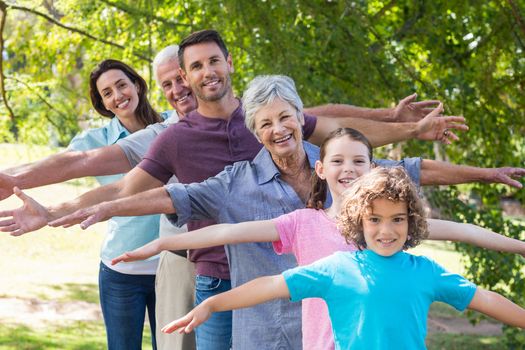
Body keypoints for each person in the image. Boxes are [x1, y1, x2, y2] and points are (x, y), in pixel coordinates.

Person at [24, 73, 519, 348]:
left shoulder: (359, 186)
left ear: (301, 122)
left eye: (287, 118)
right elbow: (173, 199)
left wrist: (487, 175)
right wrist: (116, 222)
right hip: (264, 330)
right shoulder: (249, 188)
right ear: (255, 131)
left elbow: (422, 182)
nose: (279, 129)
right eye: (266, 123)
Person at [111, 127, 525, 350]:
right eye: (339, 160)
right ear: (320, 168)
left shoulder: (408, 247)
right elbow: (234, 239)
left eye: (359, 160)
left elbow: (470, 244)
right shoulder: (311, 232)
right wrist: (166, 243)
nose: (386, 229)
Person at [67, 59, 163, 350]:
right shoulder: (94, 142)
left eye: (121, 84)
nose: (118, 95)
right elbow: (53, 166)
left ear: (136, 84)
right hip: (121, 272)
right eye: (107, 93)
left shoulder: (172, 125)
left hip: (171, 267)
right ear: (104, 104)